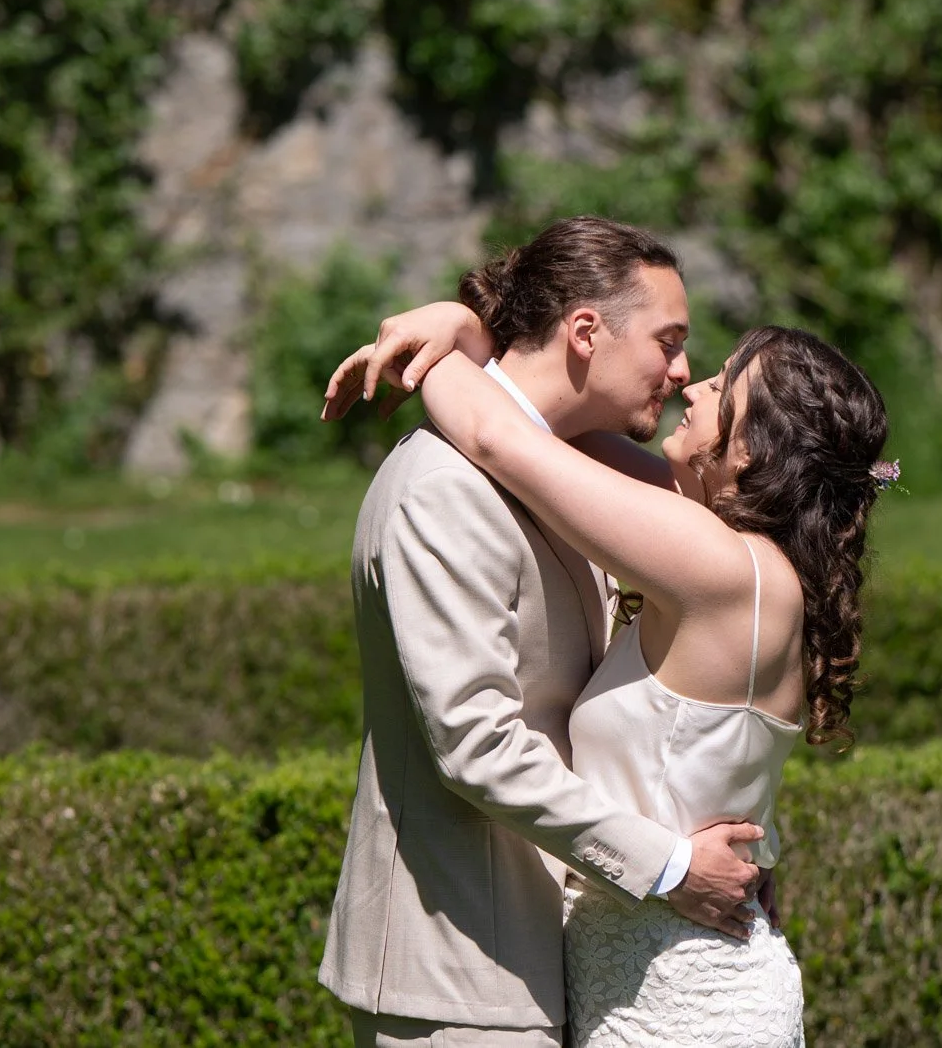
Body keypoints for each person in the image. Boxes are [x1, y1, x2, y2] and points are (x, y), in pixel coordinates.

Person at [328, 288, 890, 1045]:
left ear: (751, 449)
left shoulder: (718, 565)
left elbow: (504, 439)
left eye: (724, 386)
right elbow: (549, 427)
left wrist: (453, 332)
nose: (691, 385)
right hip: (638, 974)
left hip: (682, 1002)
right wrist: (477, 339)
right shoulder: (742, 555)